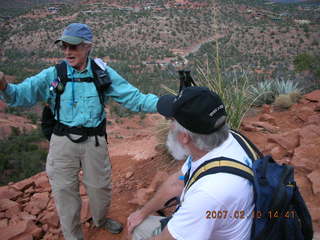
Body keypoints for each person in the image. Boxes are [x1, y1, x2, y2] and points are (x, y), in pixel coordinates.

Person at [0, 23, 159, 240]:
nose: (67, 52)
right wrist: (3, 86)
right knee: (65, 195)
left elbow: (134, 98)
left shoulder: (101, 73)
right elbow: (19, 95)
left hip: (94, 141)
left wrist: (164, 104)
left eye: (73, 47)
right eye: (64, 47)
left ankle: (100, 220)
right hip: (62, 142)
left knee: (100, 189)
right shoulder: (53, 74)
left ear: (87, 47)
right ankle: (74, 237)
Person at [127, 86, 254, 240]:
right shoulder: (223, 138)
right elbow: (178, 182)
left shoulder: (208, 193)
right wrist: (142, 212)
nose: (169, 125)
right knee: (141, 222)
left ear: (185, 136)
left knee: (138, 231)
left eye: (171, 120)